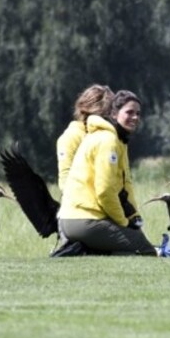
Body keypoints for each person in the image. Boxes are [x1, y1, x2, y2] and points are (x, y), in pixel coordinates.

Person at [58, 90, 156, 255]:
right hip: (85, 218)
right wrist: (123, 222)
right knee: (145, 251)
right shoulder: (108, 141)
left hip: (74, 218)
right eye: (129, 112)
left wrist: (133, 218)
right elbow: (104, 191)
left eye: (138, 113)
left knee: (133, 244)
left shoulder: (113, 139)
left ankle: (85, 253)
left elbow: (125, 186)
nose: (135, 117)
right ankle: (83, 253)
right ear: (114, 113)